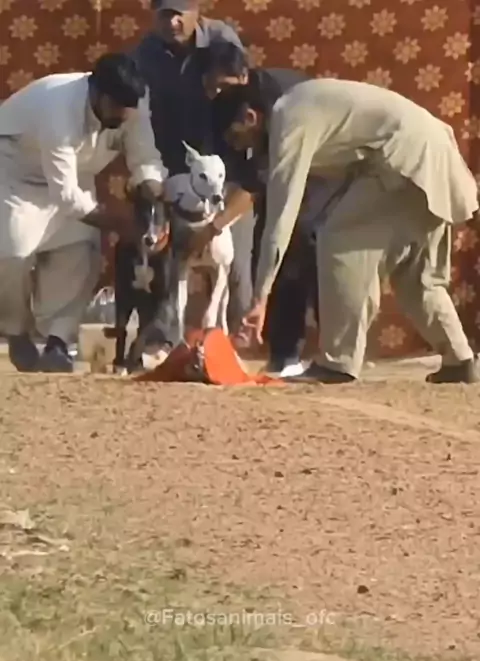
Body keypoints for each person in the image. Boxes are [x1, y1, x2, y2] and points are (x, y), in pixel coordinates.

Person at [220, 78, 479, 384]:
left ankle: (338, 362)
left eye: (235, 137)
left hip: (402, 160)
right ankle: (459, 358)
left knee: (338, 240)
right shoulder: (304, 106)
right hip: (431, 159)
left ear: (250, 116)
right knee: (416, 277)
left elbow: (280, 215)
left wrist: (260, 297)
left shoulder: (287, 119)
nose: (240, 147)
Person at [0, 52, 167, 372]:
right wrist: (122, 224)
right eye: (117, 108)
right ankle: (15, 330)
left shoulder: (133, 103)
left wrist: (152, 194)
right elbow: (67, 197)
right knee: (13, 252)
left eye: (129, 109)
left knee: (80, 249)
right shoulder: (59, 110)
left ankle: (58, 342)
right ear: (97, 93)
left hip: (74, 174)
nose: (124, 116)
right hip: (16, 172)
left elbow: (145, 157)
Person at [190, 41, 340, 375]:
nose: (217, 94)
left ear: (244, 77)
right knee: (269, 248)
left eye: (224, 86)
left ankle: (335, 352)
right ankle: (283, 353)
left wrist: (214, 228)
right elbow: (239, 173)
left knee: (304, 247)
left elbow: (255, 183)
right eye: (211, 87)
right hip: (283, 174)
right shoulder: (224, 111)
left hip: (327, 172)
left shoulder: (282, 105)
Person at [119, 0, 246, 351]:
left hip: (224, 169)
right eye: (165, 14)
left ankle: (231, 344)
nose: (172, 22)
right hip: (171, 168)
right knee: (165, 256)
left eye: (180, 13)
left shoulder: (222, 40)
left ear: (197, 11)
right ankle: (164, 340)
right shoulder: (144, 55)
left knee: (232, 261)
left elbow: (241, 91)